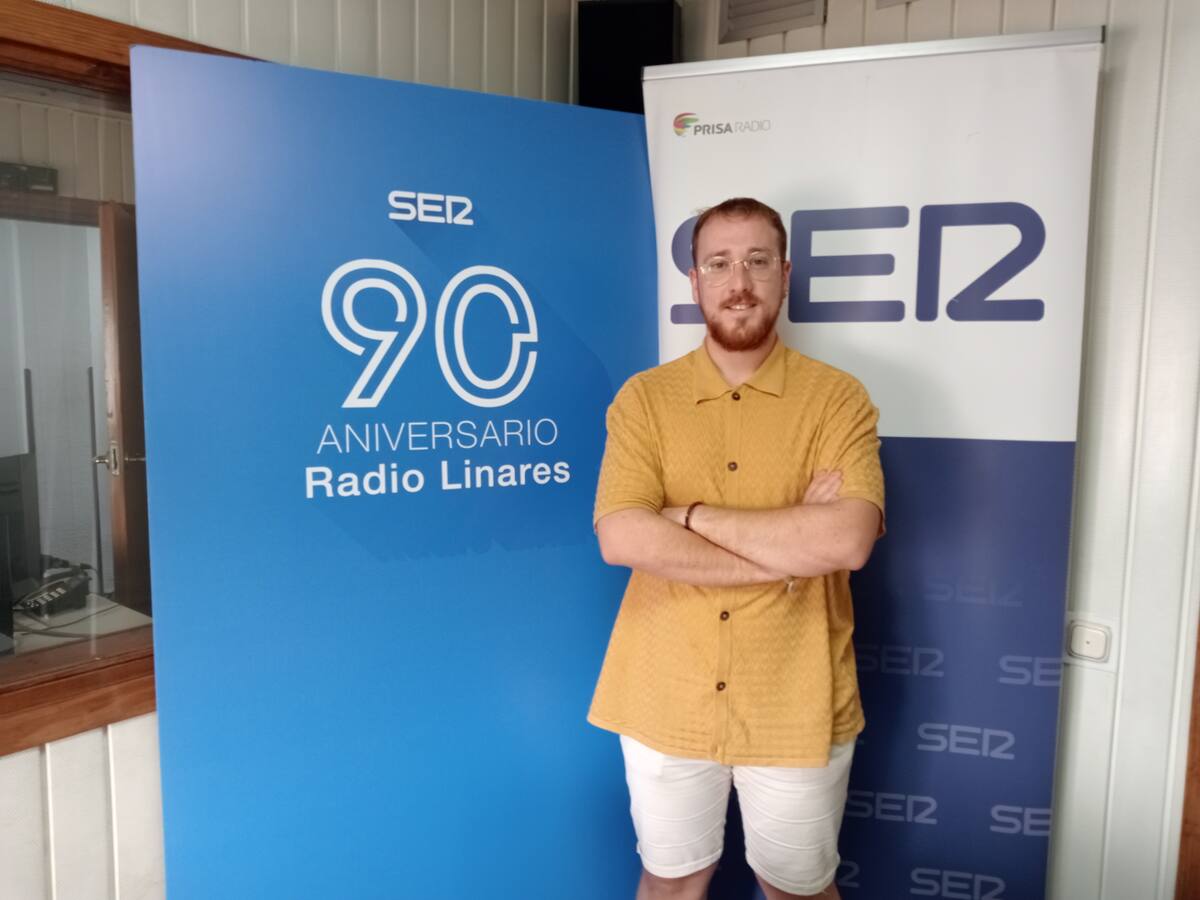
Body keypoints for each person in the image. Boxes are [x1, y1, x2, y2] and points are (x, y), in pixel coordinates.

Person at [590, 197, 885, 900]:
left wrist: (686, 515)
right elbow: (622, 535)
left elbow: (847, 539)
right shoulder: (644, 400)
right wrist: (785, 550)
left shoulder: (837, 400)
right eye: (719, 264)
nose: (739, 281)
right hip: (665, 692)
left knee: (796, 889)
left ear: (784, 275)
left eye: (757, 262)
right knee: (673, 883)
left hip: (796, 693)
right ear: (694, 282)